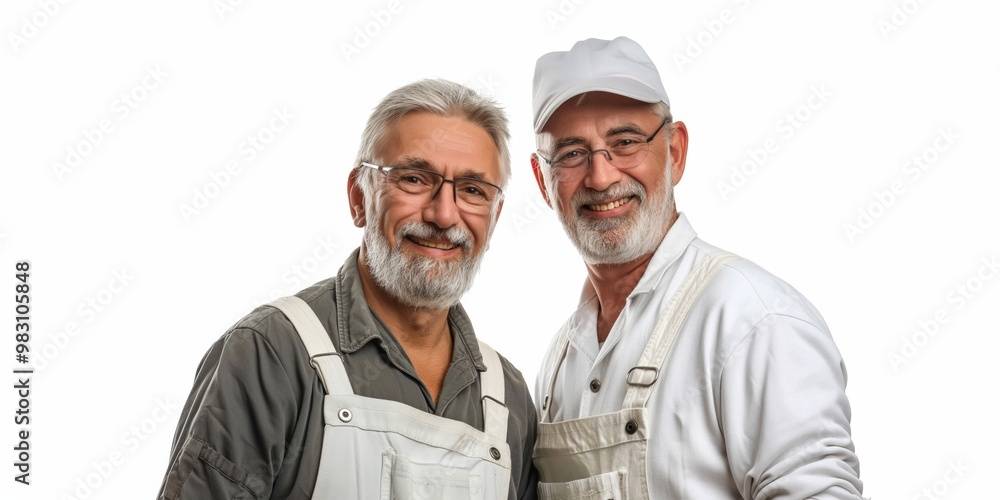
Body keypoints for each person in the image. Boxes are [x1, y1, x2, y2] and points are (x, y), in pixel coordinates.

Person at [158, 79, 538, 499]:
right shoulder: (272, 355)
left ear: (496, 215)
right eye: (414, 179)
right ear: (359, 196)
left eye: (472, 190)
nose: (444, 215)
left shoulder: (509, 399)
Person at [528, 36, 863, 499]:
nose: (601, 176)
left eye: (625, 142)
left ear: (676, 151)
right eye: (570, 154)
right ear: (543, 181)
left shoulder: (752, 320)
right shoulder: (560, 358)